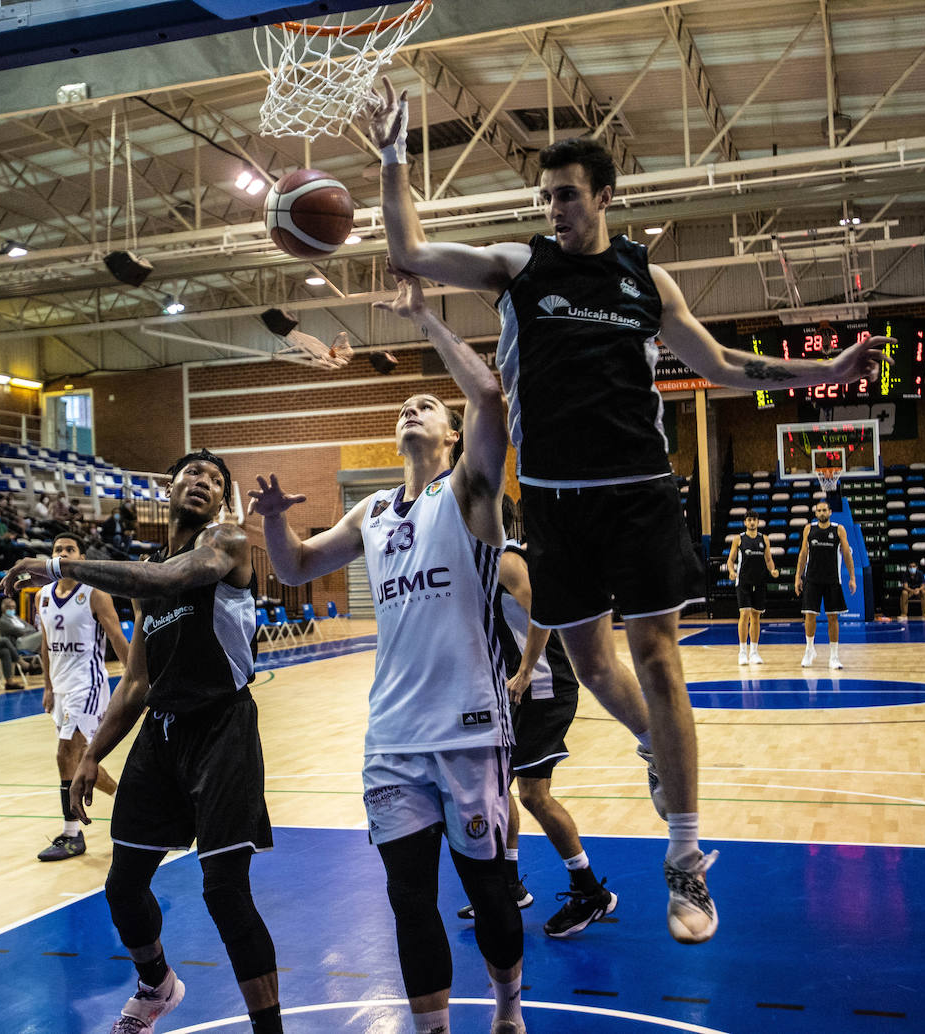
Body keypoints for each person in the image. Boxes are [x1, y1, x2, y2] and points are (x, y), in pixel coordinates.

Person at [361, 78, 893, 944]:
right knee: (596, 668)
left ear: (605, 197)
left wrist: (820, 375)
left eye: (569, 197)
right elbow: (413, 252)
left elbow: (720, 364)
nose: (557, 210)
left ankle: (686, 863)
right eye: (549, 198)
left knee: (656, 658)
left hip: (642, 491)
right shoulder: (519, 268)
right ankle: (656, 748)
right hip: (561, 505)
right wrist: (391, 157)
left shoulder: (647, 278)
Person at [249, 274, 524, 1034]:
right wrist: (272, 522)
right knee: (408, 896)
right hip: (393, 740)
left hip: (468, 729)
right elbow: (297, 566)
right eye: (404, 404)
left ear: (448, 435)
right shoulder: (372, 511)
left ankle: (507, 1009)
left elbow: (492, 401)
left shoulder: (470, 493)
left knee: (491, 891)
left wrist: (427, 318)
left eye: (425, 406)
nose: (410, 409)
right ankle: (432, 1028)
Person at [0, 448, 282, 1034]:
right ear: (169, 487)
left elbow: (166, 577)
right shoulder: (149, 571)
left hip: (223, 727)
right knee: (122, 887)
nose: (203, 482)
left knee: (225, 893)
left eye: (215, 479)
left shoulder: (227, 543)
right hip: (162, 732)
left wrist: (63, 569)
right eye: (193, 474)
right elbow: (135, 682)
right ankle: (156, 986)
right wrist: (92, 755)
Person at [458, 497, 616, 942]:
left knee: (532, 794)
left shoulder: (508, 560)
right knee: (499, 785)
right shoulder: (484, 561)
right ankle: (508, 882)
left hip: (544, 688)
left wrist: (526, 670)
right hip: (520, 692)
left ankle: (590, 892)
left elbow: (539, 611)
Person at [33, 532, 131, 861]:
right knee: (79, 760)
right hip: (60, 689)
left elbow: (117, 634)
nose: (63, 553)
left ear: (81, 558)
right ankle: (132, 802)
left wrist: (137, 677)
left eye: (70, 549)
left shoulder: (94, 593)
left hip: (88, 686)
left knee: (66, 754)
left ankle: (71, 834)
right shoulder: (43, 596)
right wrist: (47, 686)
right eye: (58, 549)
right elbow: (45, 645)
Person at [794, 499, 856, 669]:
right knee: (809, 615)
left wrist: (852, 577)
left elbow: (847, 554)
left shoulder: (838, 529)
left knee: (832, 617)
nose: (822, 513)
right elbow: (803, 554)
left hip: (832, 580)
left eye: (824, 510)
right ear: (815, 513)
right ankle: (809, 650)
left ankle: (834, 656)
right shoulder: (809, 529)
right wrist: (797, 577)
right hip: (812, 579)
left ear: (830, 512)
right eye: (819, 510)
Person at [726, 511, 779, 664]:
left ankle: (754, 652)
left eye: (754, 520)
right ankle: (742, 652)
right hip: (743, 581)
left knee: (756, 616)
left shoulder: (764, 539)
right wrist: (731, 571)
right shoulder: (739, 539)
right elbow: (731, 560)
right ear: (745, 522)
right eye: (749, 520)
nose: (752, 523)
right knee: (744, 614)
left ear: (758, 522)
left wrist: (773, 570)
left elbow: (768, 559)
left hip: (760, 581)